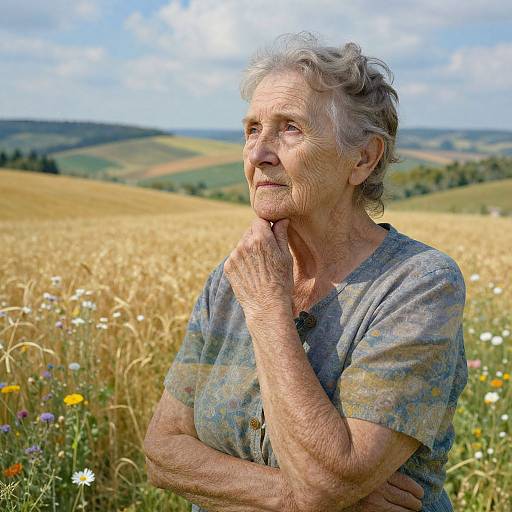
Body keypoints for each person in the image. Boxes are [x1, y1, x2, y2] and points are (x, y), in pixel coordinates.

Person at [144, 32, 467, 512]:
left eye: (289, 128)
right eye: (252, 129)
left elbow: (329, 479)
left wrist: (269, 308)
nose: (258, 154)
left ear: (363, 158)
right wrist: (299, 496)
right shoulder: (232, 277)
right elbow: (163, 451)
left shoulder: (418, 284)